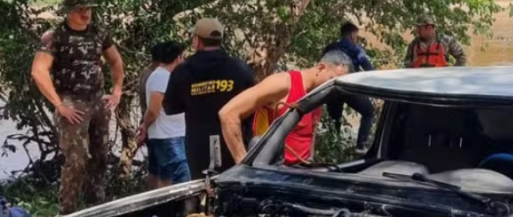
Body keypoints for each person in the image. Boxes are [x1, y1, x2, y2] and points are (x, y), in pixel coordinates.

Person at [31, 0, 125, 215]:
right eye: (81, 10)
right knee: (76, 159)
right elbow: (38, 71)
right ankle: (67, 211)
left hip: (98, 102)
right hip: (73, 103)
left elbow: (116, 61)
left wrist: (117, 91)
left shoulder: (98, 32)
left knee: (101, 155)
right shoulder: (55, 36)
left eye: (89, 9)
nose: (86, 14)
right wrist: (59, 104)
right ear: (69, 12)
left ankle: (96, 206)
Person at [219, 51, 352, 167]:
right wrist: (242, 163)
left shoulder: (320, 93)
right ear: (321, 68)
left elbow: (310, 135)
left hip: (301, 176)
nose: (333, 88)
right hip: (274, 174)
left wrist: (311, 162)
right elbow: (228, 113)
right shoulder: (283, 83)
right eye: (332, 80)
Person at [163, 18, 256, 179]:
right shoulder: (239, 68)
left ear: (197, 41)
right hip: (233, 144)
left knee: (200, 193)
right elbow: (255, 104)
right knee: (233, 188)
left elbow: (170, 107)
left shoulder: (183, 70)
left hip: (199, 146)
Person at [137, 42, 189, 189]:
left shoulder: (166, 76)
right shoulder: (161, 76)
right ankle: (179, 210)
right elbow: (153, 109)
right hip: (168, 137)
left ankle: (163, 210)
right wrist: (145, 125)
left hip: (172, 135)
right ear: (178, 58)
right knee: (182, 179)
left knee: (166, 178)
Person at [323, 22, 376, 154]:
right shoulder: (355, 49)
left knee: (334, 118)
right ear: (353, 34)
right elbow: (369, 68)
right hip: (349, 87)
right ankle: (360, 145)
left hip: (332, 87)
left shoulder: (330, 48)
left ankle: (332, 147)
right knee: (369, 111)